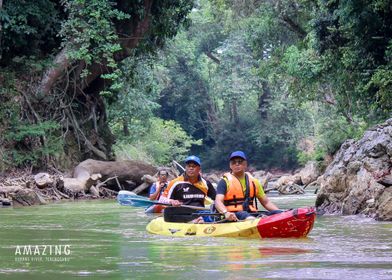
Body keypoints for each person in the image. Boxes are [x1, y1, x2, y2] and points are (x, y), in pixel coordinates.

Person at [214, 151, 280, 221]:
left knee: (277, 213)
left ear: (245, 164)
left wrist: (281, 213)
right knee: (243, 214)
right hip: (232, 215)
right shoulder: (224, 182)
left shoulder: (254, 182)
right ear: (230, 165)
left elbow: (266, 202)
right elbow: (218, 201)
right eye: (233, 162)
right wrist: (226, 213)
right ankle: (253, 222)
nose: (237, 164)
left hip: (251, 213)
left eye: (240, 162)